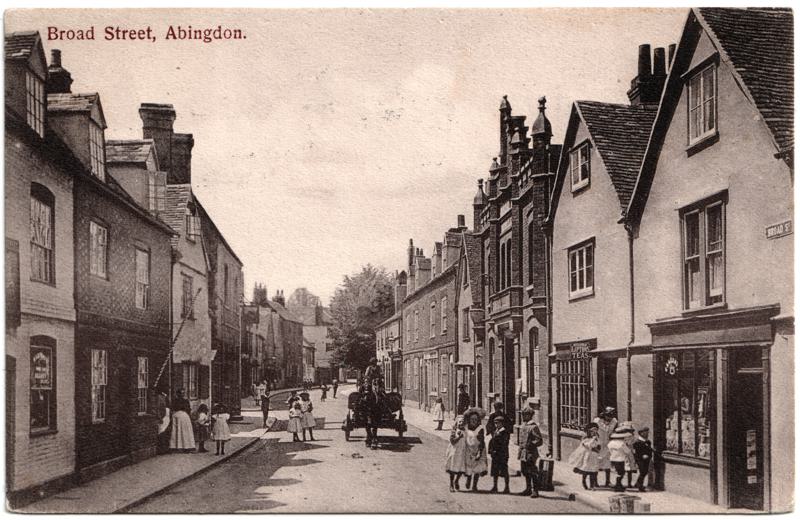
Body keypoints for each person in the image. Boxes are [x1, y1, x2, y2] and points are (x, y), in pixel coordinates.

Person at [517, 405, 544, 498]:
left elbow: (539, 440)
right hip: (523, 452)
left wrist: (531, 444)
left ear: (529, 415)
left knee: (532, 471)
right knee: (524, 471)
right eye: (522, 414)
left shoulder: (533, 427)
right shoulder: (524, 425)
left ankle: (535, 490)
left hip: (530, 453)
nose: (522, 416)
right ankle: (528, 489)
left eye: (524, 415)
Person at [567, 422, 601, 490]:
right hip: (587, 456)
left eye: (595, 431)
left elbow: (598, 445)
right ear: (589, 431)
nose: (594, 433)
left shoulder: (597, 438)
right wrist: (593, 440)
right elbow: (588, 445)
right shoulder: (585, 439)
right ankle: (584, 482)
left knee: (593, 471)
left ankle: (592, 486)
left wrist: (598, 448)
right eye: (592, 431)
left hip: (594, 456)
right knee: (586, 470)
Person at [462, 408, 488, 492]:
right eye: (472, 419)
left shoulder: (480, 429)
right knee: (469, 467)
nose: (474, 421)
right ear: (469, 420)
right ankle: (469, 480)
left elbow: (482, 441)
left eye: (476, 419)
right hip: (468, 450)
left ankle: (474, 485)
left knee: (477, 468)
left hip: (478, 449)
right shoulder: (466, 428)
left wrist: (479, 452)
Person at [593, 407, 618, 487]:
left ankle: (607, 481)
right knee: (596, 463)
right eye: (608, 416)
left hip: (607, 444)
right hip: (599, 443)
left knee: (608, 463)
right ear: (604, 415)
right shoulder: (598, 421)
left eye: (611, 416)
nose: (609, 418)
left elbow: (610, 430)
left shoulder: (613, 421)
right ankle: (595, 482)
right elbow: (605, 429)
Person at [608, 425, 636, 491]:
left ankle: (618, 485)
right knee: (621, 473)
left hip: (613, 459)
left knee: (618, 472)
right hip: (620, 459)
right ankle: (618, 486)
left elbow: (609, 450)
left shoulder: (611, 443)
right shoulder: (622, 444)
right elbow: (628, 451)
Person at [488, 415, 511, 494]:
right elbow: (492, 442)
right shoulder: (496, 431)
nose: (496, 425)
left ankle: (507, 487)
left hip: (502, 455)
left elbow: (504, 444)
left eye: (498, 423)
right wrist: (491, 450)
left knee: (504, 471)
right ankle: (495, 486)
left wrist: (496, 450)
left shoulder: (505, 432)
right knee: (495, 471)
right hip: (495, 455)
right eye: (495, 423)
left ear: (502, 423)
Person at [445, 416, 467, 492]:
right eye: (460, 422)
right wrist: (459, 437)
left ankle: (456, 480)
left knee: (461, 468)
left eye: (463, 422)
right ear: (457, 423)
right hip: (454, 451)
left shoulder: (465, 431)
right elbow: (452, 441)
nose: (461, 423)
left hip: (462, 451)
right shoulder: (454, 431)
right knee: (453, 468)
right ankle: (451, 484)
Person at [633, 427, 653, 492]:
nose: (647, 434)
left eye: (647, 432)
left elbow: (649, 450)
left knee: (645, 471)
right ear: (641, 433)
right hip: (640, 459)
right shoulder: (637, 442)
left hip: (647, 459)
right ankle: (640, 486)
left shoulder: (648, 441)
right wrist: (642, 456)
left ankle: (637, 483)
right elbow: (636, 452)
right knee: (643, 471)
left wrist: (649, 455)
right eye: (645, 432)